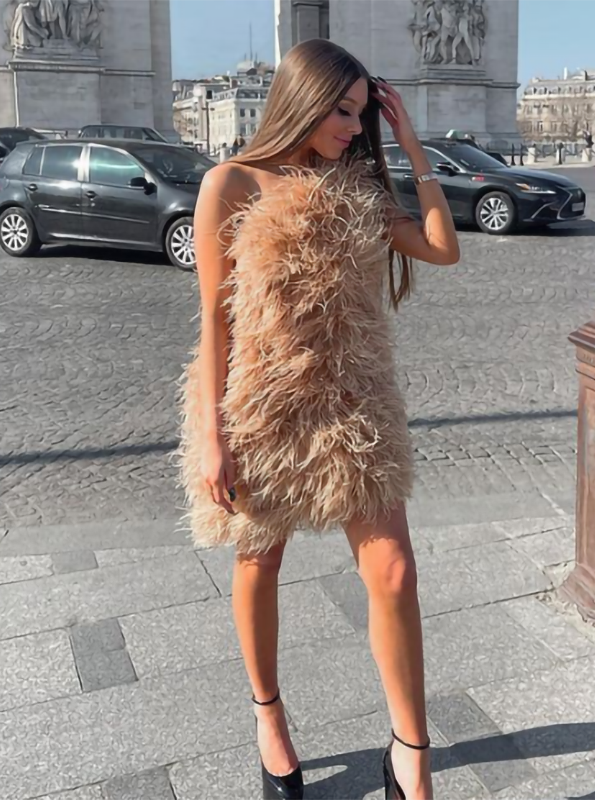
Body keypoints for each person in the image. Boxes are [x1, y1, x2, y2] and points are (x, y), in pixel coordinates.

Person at [180, 39, 460, 800]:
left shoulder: (358, 188)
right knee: (259, 561)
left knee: (394, 572)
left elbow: (441, 248)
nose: (351, 126)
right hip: (261, 404)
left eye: (361, 113)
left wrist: (409, 146)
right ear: (301, 99)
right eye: (341, 110)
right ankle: (269, 718)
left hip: (355, 407)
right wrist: (213, 435)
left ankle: (412, 753)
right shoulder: (230, 183)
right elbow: (214, 319)